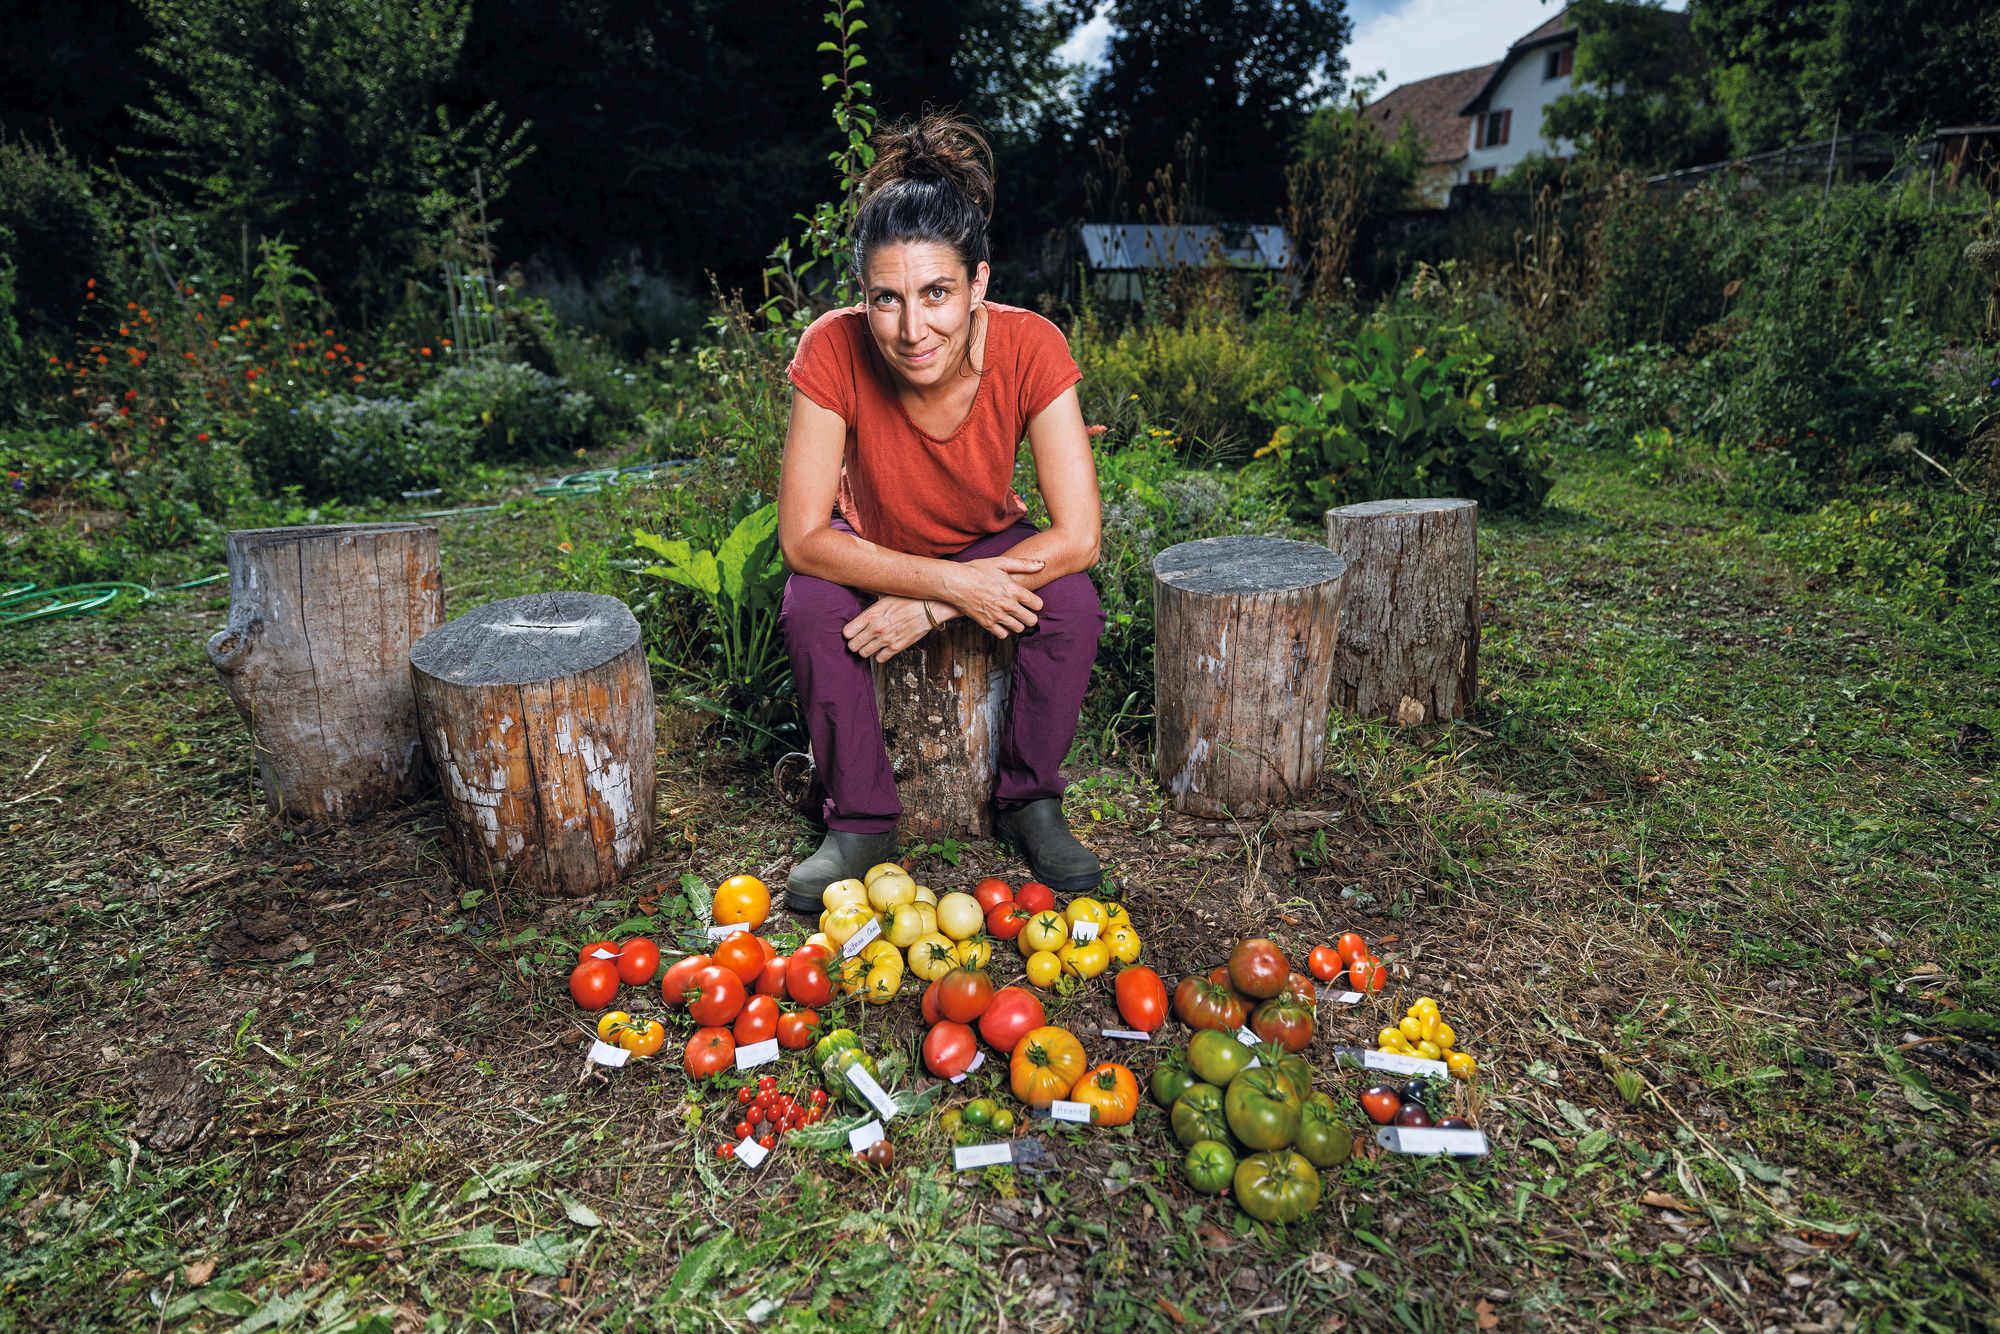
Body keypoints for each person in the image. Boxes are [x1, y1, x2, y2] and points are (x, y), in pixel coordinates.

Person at [775, 113, 1106, 914]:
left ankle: (1029, 799)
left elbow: (1079, 536)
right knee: (810, 605)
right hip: (871, 544)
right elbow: (803, 537)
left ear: (978, 284)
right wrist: (951, 586)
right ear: (862, 295)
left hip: (986, 539)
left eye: (937, 293)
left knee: (1071, 603)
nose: (912, 328)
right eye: (885, 299)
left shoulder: (1032, 346)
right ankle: (859, 822)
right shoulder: (831, 347)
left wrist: (935, 600)